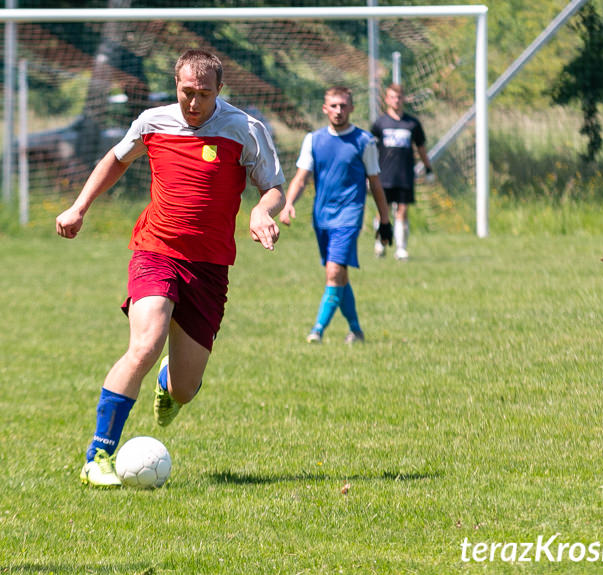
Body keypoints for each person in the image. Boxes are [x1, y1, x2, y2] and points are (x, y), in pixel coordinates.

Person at [55, 49, 285, 488]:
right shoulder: (152, 122)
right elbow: (117, 159)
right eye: (186, 92)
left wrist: (261, 213)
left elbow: (273, 187)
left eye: (203, 94)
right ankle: (96, 457)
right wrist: (79, 207)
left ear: (220, 91)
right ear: (175, 85)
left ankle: (169, 384)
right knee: (145, 344)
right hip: (156, 250)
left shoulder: (245, 129)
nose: (193, 103)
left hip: (211, 267)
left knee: (183, 388)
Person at [279, 86, 393, 345]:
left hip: (349, 217)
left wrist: (384, 220)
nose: (339, 110)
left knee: (333, 273)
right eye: (334, 105)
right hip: (322, 218)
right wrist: (288, 204)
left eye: (344, 105)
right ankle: (356, 330)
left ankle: (317, 330)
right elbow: (301, 177)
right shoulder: (313, 140)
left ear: (352, 108)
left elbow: (375, 183)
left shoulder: (365, 141)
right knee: (339, 276)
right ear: (325, 108)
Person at [370, 83, 434, 260]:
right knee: (383, 210)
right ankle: (380, 243)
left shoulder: (412, 123)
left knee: (403, 210)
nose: (396, 100)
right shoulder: (379, 123)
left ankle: (401, 248)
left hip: (404, 175)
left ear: (403, 99)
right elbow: (370, 150)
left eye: (399, 97)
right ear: (387, 99)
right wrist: (367, 173)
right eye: (392, 97)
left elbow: (421, 147)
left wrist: (428, 168)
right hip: (384, 175)